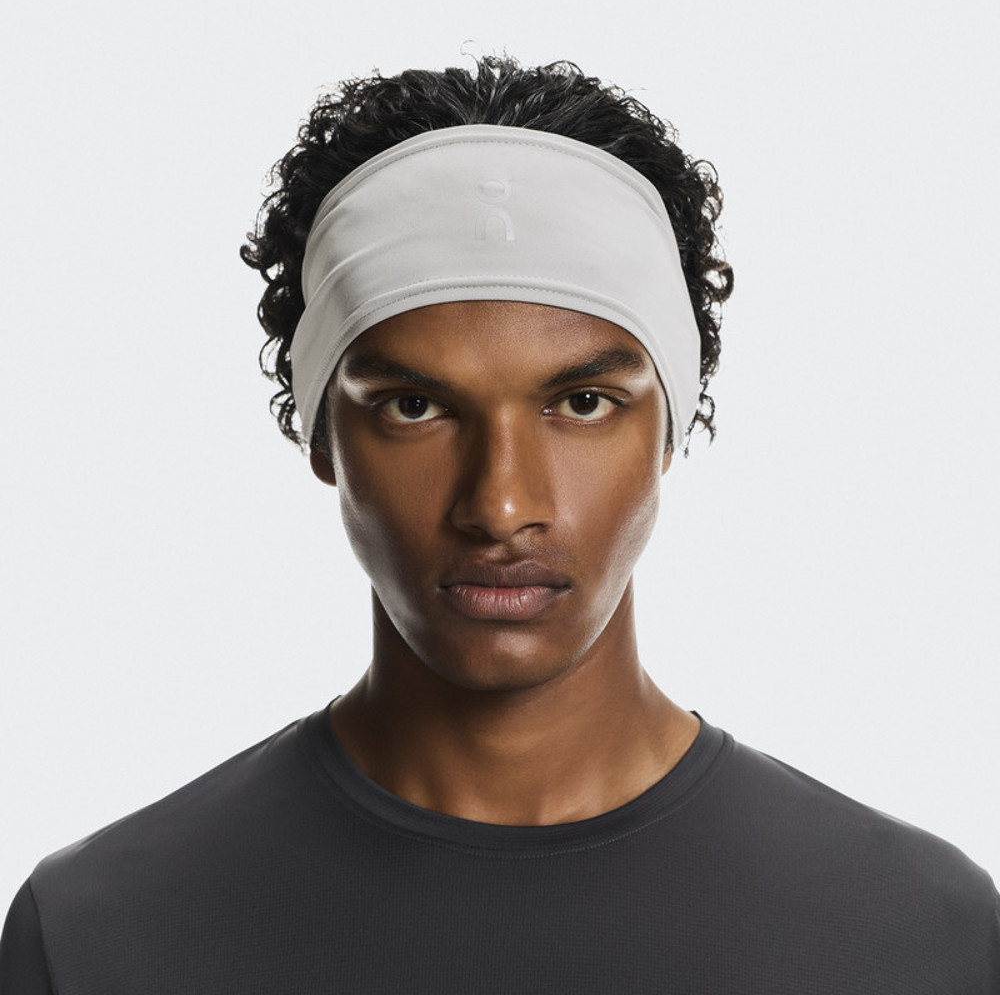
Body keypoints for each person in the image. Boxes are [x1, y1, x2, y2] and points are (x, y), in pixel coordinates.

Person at [1, 54, 997, 994]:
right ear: (320, 434)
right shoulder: (101, 936)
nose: (501, 505)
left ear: (671, 426)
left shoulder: (918, 937)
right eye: (414, 406)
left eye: (583, 403)